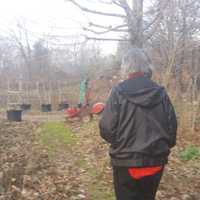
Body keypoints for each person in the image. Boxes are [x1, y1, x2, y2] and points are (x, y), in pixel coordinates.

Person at [99, 48, 177, 200]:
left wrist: (121, 144)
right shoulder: (160, 93)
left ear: (126, 67)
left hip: (125, 161)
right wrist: (161, 147)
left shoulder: (118, 92)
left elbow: (107, 128)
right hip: (155, 160)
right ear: (147, 66)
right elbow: (172, 129)